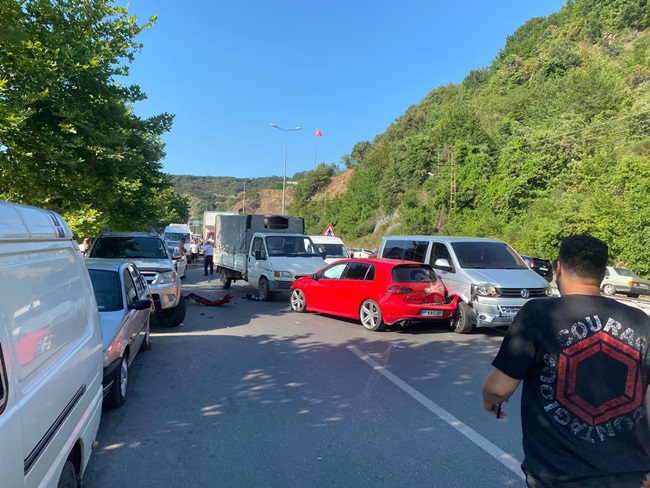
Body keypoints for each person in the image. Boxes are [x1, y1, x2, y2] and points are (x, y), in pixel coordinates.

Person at [482, 234, 650, 488]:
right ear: (603, 272)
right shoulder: (640, 321)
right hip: (630, 475)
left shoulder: (538, 314)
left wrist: (490, 400)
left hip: (560, 474)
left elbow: (499, 388)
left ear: (558, 268)